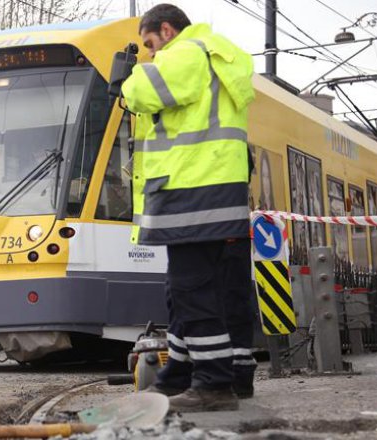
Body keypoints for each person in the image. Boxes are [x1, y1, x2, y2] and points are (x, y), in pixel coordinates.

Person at [122, 4, 256, 412]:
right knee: (191, 291)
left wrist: (127, 78)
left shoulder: (187, 52)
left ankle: (213, 384)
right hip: (213, 190)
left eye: (150, 44)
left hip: (192, 190)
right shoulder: (214, 55)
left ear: (166, 30)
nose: (151, 54)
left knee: (191, 291)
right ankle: (180, 376)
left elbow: (142, 93)